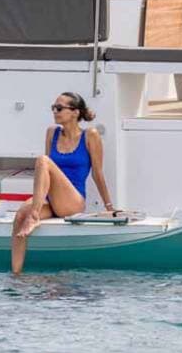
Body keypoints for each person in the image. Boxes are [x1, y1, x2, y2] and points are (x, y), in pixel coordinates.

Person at [11, 92, 114, 274]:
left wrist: (109, 207)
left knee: (43, 160)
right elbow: (45, 175)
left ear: (75, 112)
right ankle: (16, 274)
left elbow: (97, 173)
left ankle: (34, 217)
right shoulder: (52, 133)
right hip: (51, 200)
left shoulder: (90, 135)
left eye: (59, 108)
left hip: (73, 201)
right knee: (20, 215)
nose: (55, 112)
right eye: (53, 108)